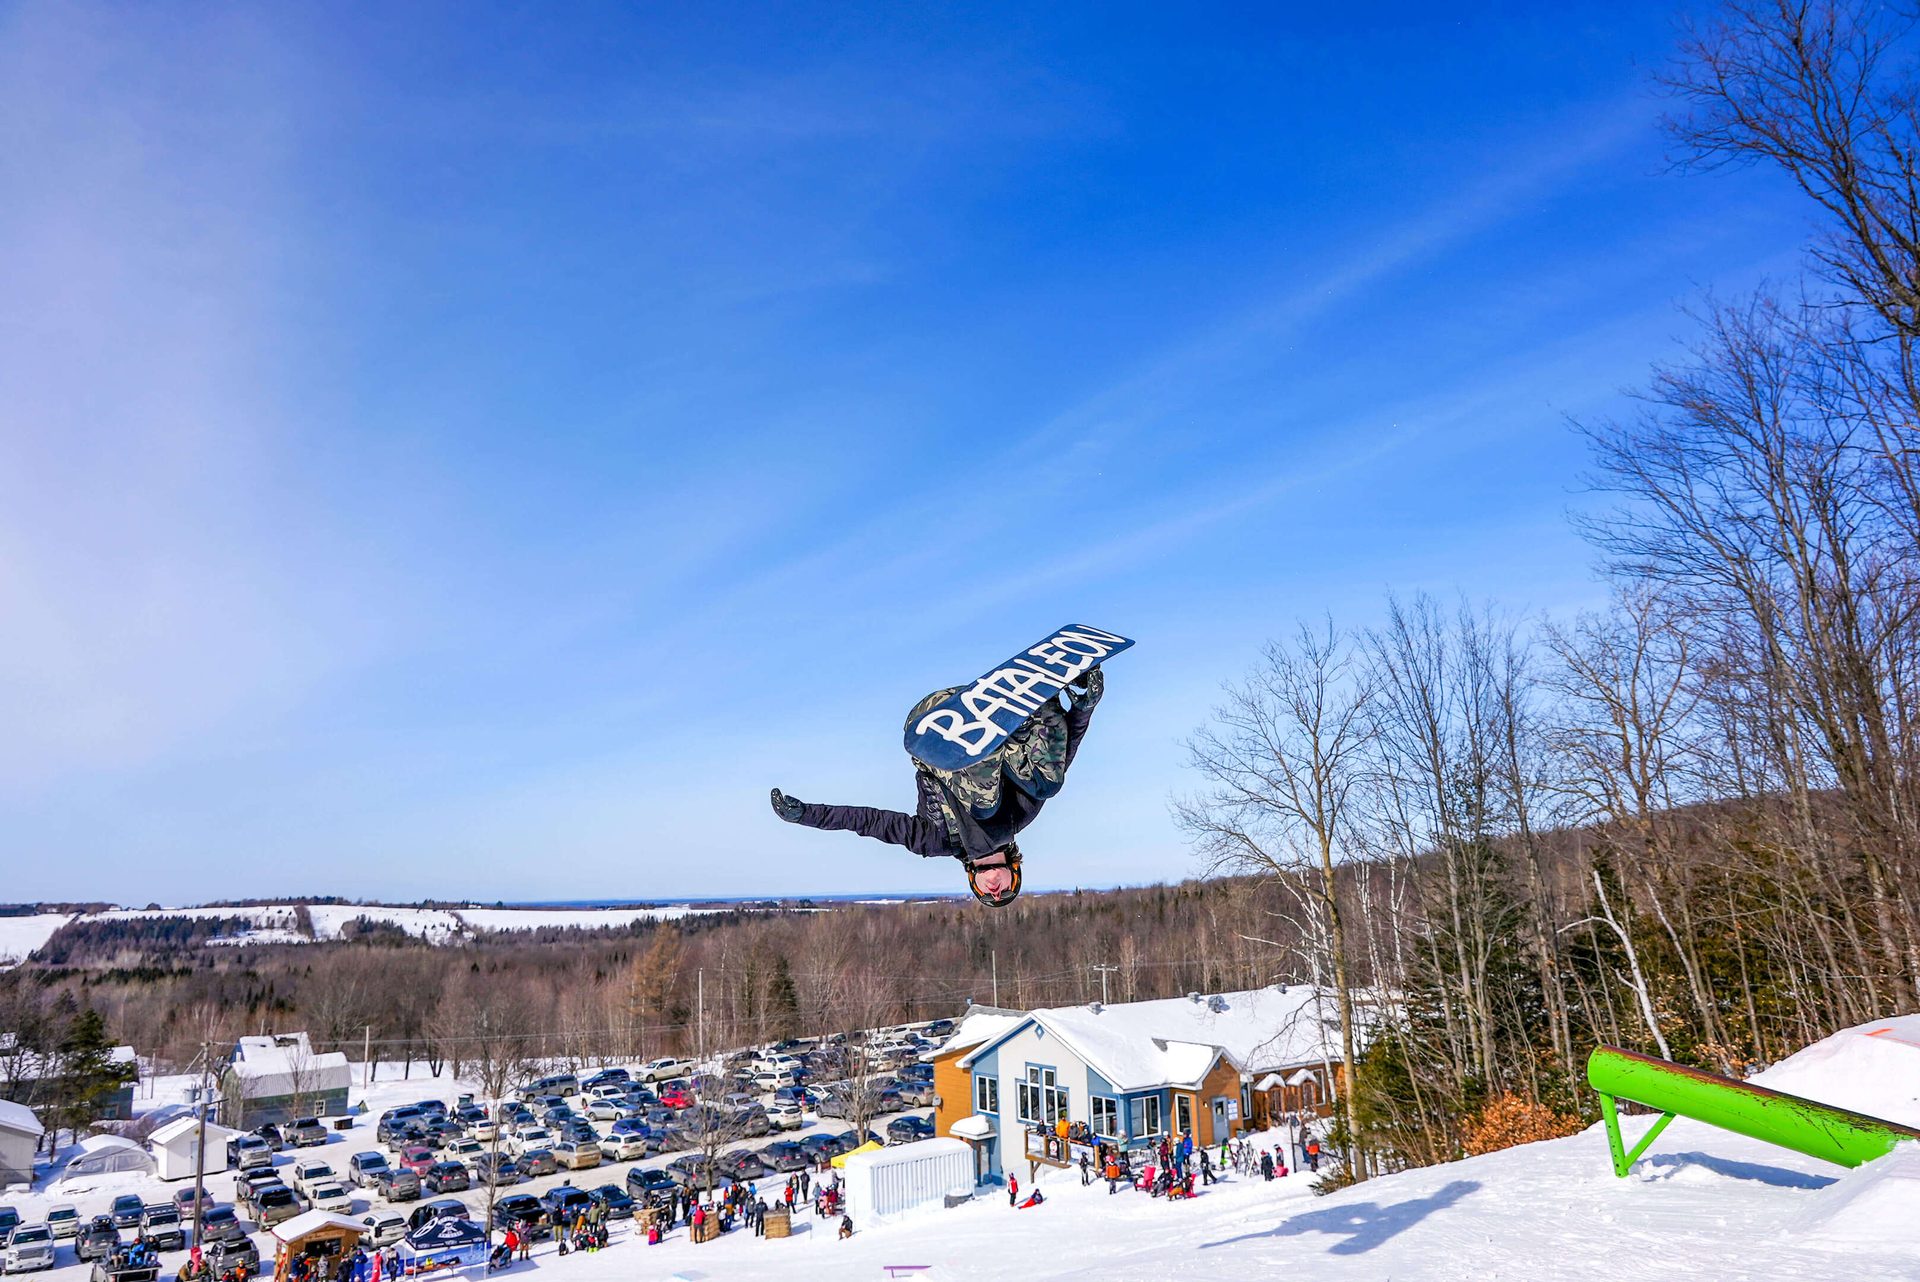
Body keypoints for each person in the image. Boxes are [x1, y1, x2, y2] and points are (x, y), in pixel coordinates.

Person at [772, 669, 1105, 908]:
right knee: (1046, 784)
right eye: (1005, 891)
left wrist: (806, 815)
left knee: (986, 809)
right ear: (1013, 872)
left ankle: (972, 744)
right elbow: (1062, 758)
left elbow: (868, 822)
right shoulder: (1021, 816)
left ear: (972, 881)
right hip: (993, 717)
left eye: (987, 895)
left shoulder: (934, 839)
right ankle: (1044, 705)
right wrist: (1084, 709)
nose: (994, 890)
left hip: (932, 721)